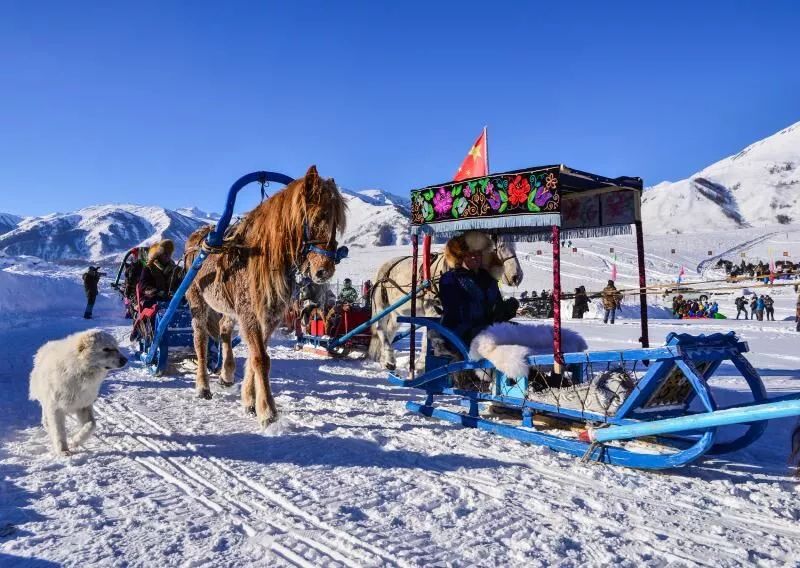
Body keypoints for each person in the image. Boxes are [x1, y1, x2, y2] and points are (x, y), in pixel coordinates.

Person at [440, 242, 519, 345]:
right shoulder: (450, 278)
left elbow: (496, 303)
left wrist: (505, 310)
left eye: (478, 254)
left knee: (519, 331)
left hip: (486, 328)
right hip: (460, 332)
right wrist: (485, 320)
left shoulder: (488, 278)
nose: (474, 257)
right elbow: (454, 310)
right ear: (461, 256)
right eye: (470, 254)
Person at [138, 239, 177, 307]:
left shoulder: (174, 269)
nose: (167, 256)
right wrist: (152, 291)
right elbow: (143, 285)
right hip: (153, 300)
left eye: (169, 253)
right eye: (165, 253)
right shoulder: (149, 268)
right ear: (159, 253)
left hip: (170, 300)